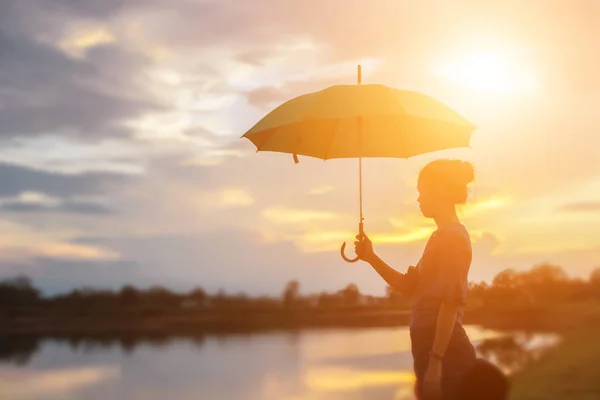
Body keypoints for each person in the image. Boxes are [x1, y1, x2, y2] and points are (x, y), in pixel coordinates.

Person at [354, 159, 481, 399]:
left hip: (445, 351)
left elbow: (450, 303)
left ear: (439, 191)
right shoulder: (440, 237)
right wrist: (371, 257)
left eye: (422, 192)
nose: (418, 199)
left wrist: (436, 363)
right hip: (429, 346)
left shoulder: (453, 238)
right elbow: (408, 286)